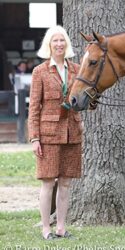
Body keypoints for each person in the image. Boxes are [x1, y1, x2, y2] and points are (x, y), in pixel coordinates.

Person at [28, 25, 82, 240]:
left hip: (72, 132)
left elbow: (83, 98)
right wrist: (34, 138)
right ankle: (45, 228)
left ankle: (61, 227)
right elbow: (34, 107)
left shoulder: (77, 69)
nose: (59, 44)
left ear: (66, 44)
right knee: (48, 181)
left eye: (62, 40)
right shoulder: (39, 71)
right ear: (48, 45)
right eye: (55, 40)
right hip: (48, 133)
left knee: (66, 182)